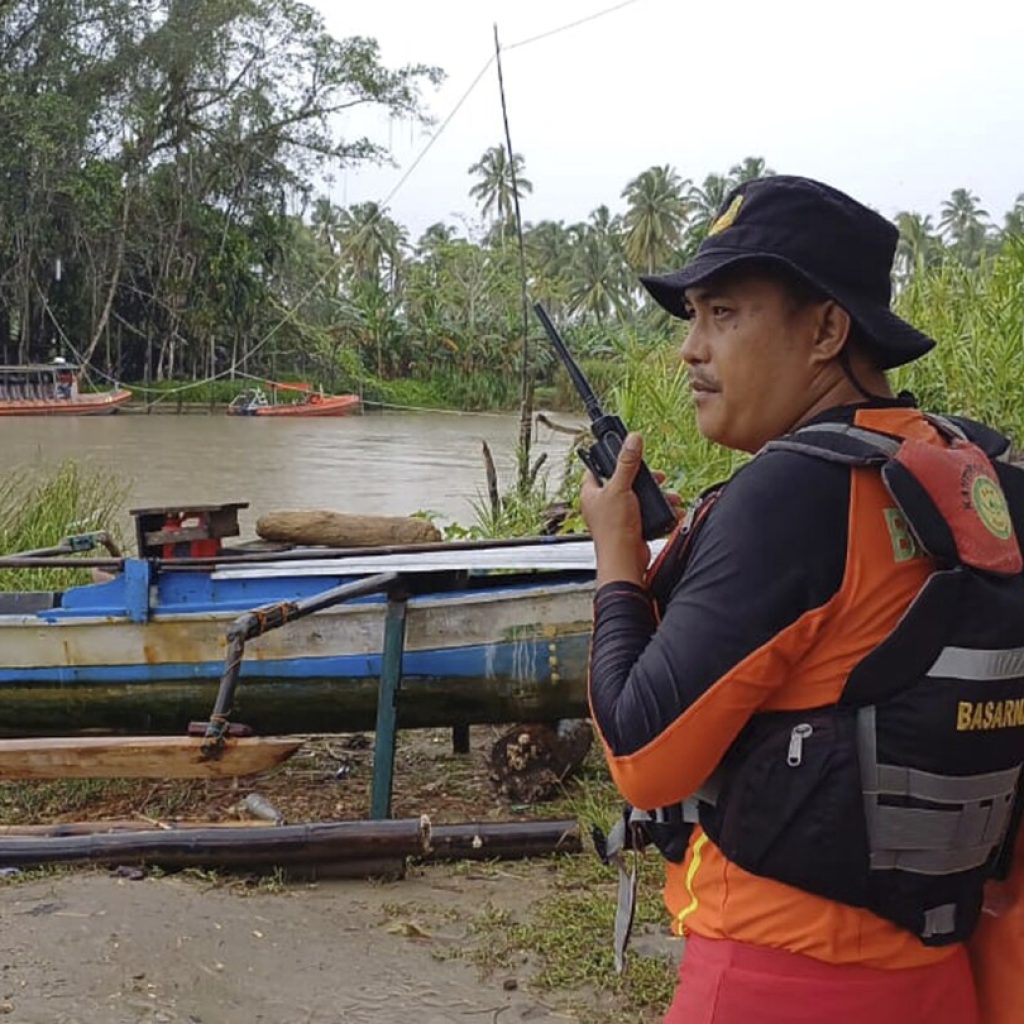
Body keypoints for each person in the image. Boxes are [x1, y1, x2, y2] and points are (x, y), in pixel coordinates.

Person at [580, 175, 1024, 1024]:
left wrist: (616, 560)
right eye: (694, 318)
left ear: (826, 329)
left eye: (725, 313)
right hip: (944, 983)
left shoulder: (793, 494)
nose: (691, 350)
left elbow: (644, 758)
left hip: (775, 982)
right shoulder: (978, 480)